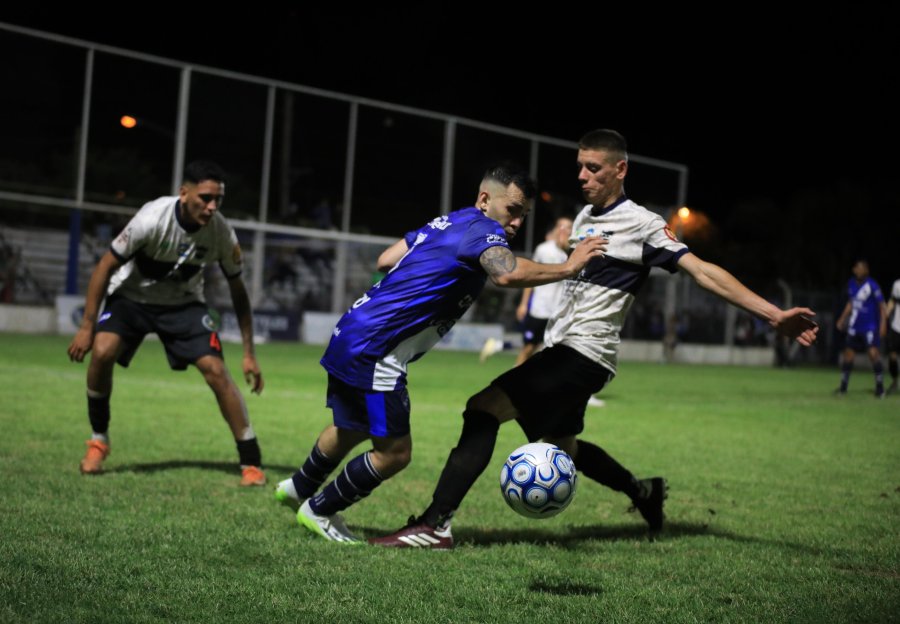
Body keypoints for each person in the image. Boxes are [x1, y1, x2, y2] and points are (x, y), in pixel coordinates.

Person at [369, 129, 819, 549]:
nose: (582, 176)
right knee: (563, 446)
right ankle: (643, 491)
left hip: (584, 353)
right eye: (580, 167)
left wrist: (772, 313)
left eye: (593, 168)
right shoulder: (585, 217)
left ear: (620, 170)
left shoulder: (642, 224)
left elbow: (701, 272)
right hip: (562, 347)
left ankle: (434, 525)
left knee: (482, 408)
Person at [273, 163, 606, 543]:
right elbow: (506, 273)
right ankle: (319, 509)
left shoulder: (450, 221)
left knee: (352, 426)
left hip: (351, 332)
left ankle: (298, 487)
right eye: (512, 210)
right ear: (485, 199)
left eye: (524, 215)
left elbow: (386, 259)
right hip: (377, 352)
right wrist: (569, 266)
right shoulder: (483, 230)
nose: (516, 222)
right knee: (395, 454)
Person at [67, 160, 267, 486]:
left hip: (184, 304)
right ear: (184, 193)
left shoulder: (221, 232)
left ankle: (251, 463)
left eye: (218, 200)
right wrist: (87, 326)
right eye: (205, 198)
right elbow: (105, 266)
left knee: (216, 370)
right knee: (102, 352)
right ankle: (98, 441)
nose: (212, 206)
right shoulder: (151, 219)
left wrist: (249, 353)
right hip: (131, 298)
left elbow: (238, 291)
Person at [513, 216, 573, 366]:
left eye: (568, 227)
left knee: (551, 351)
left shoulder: (574, 253)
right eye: (561, 226)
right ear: (555, 229)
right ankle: (514, 374)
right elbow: (531, 278)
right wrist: (523, 304)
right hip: (539, 309)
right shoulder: (543, 249)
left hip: (559, 312)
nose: (564, 230)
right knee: (528, 347)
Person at [834, 260, 887, 397]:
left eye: (862, 268)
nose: (859, 270)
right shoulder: (851, 284)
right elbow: (851, 303)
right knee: (848, 355)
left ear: (866, 271)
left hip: (870, 327)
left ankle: (880, 388)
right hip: (854, 326)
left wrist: (883, 324)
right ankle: (843, 388)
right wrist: (842, 319)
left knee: (873, 354)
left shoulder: (872, 285)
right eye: (857, 268)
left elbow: (882, 306)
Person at [886, 278, 900, 394]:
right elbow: (893, 301)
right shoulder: (897, 284)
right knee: (892, 356)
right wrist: (885, 313)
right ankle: (895, 381)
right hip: (897, 326)